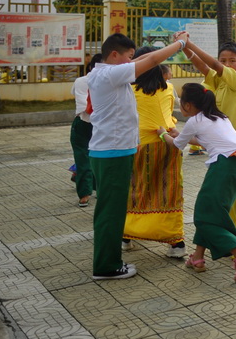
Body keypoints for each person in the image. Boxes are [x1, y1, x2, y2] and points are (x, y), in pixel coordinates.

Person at [86, 32, 186, 280]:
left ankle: (111, 260)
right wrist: (181, 44)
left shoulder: (105, 74)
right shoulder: (110, 73)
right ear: (114, 55)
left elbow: (149, 58)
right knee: (111, 212)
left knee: (115, 209)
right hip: (113, 152)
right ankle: (107, 266)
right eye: (129, 58)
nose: (132, 63)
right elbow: (151, 62)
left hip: (114, 150)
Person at [158, 83, 236, 281]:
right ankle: (198, 258)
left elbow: (176, 146)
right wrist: (181, 135)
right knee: (211, 211)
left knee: (203, 214)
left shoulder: (194, 121)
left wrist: (162, 134)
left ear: (187, 105)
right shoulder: (220, 117)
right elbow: (207, 140)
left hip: (223, 166)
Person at [181, 37, 236, 255]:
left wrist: (190, 44)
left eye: (232, 60)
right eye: (223, 60)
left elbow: (215, 67)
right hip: (221, 152)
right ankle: (231, 243)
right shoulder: (217, 83)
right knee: (224, 200)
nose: (227, 64)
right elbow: (206, 68)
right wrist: (186, 50)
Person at [121, 47, 186, 258]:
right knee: (168, 192)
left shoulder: (128, 89)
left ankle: (127, 235)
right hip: (168, 144)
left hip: (138, 145)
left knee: (136, 188)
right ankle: (176, 243)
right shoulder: (167, 87)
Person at [70, 54, 102, 208]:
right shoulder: (109, 79)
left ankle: (84, 194)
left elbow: (78, 99)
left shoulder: (80, 81)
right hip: (101, 123)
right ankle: (97, 189)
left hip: (84, 121)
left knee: (82, 157)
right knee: (98, 155)